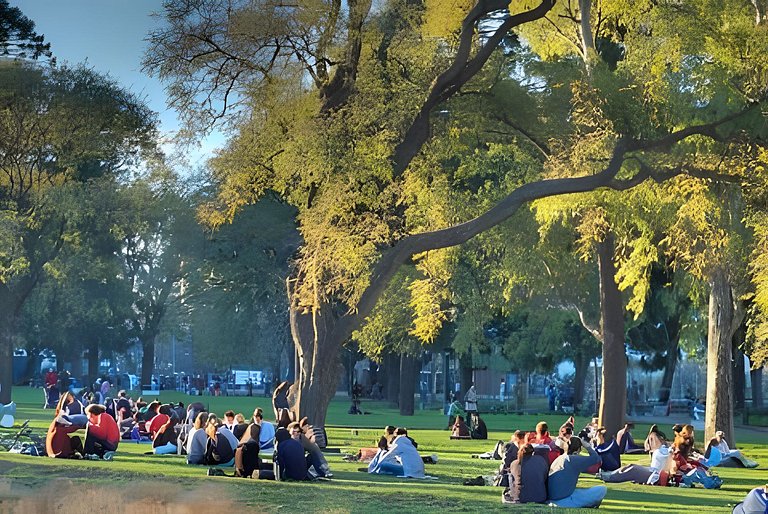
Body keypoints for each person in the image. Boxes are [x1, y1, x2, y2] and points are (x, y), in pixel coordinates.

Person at [547, 437, 607, 508]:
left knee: (579, 491)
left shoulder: (560, 458)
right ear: (578, 449)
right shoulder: (573, 459)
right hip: (564, 501)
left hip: (553, 499)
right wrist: (586, 445)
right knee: (602, 489)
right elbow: (596, 458)